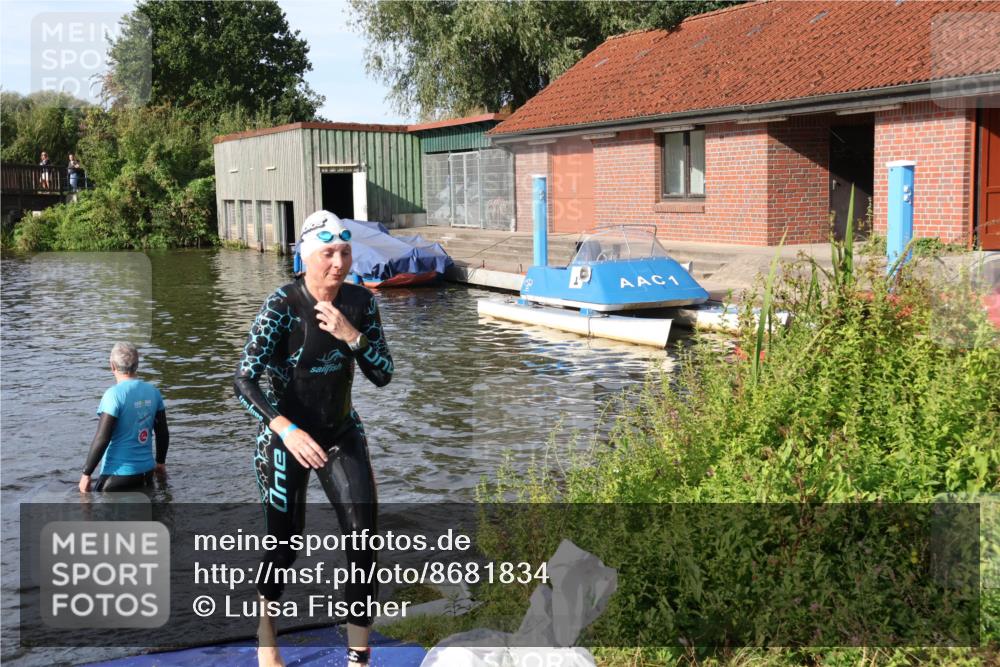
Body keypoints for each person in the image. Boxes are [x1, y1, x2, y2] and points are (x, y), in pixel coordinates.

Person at [234, 210, 394, 667]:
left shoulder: (361, 303)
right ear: (306, 257)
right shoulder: (282, 306)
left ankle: (359, 655)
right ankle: (267, 634)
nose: (339, 263)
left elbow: (383, 374)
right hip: (286, 438)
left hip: (341, 431)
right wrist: (285, 429)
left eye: (345, 252)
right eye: (328, 253)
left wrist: (352, 336)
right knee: (285, 543)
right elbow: (243, 380)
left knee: (363, 539)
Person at [79, 343, 169, 493]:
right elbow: (162, 433)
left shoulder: (113, 395)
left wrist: (86, 474)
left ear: (112, 366)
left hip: (117, 476)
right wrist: (160, 463)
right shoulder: (153, 392)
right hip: (146, 474)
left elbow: (102, 438)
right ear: (137, 365)